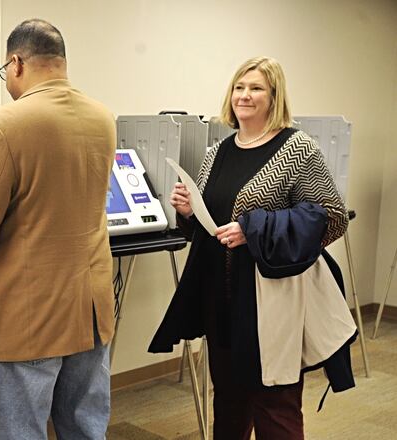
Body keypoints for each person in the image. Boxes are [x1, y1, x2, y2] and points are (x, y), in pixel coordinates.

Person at [149, 57, 356, 439]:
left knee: (276, 406)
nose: (244, 95)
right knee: (228, 402)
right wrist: (189, 213)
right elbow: (212, 227)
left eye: (256, 88)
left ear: (274, 97)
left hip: (271, 302)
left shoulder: (298, 149)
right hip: (221, 298)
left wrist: (254, 230)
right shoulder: (217, 152)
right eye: (239, 87)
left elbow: (332, 218)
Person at [0, 18, 116, 439]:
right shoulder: (102, 117)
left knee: (18, 432)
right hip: (89, 307)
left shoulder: (3, 125)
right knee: (84, 428)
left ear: (16, 63)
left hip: (29, 312)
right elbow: (61, 183)